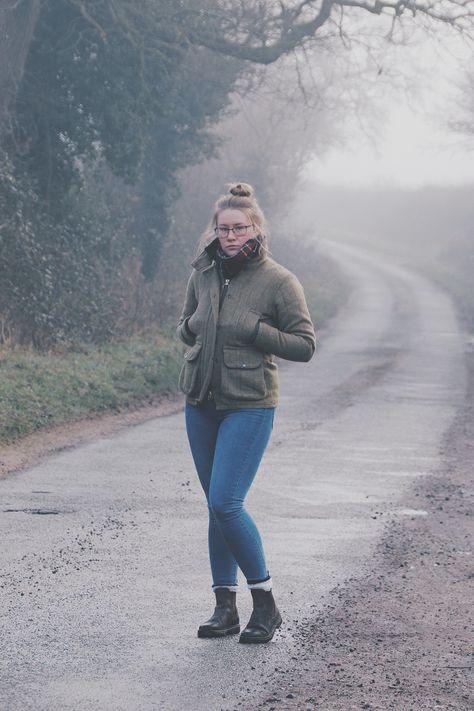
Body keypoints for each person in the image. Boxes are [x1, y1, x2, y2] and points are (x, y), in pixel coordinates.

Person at [177, 182, 316, 644]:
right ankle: (224, 608)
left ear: (255, 228)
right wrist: (196, 330)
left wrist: (257, 331)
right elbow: (185, 325)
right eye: (223, 229)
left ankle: (266, 605)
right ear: (214, 231)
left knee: (225, 503)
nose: (230, 236)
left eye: (239, 228)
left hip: (249, 405)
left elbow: (305, 345)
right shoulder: (203, 273)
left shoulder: (279, 281)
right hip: (201, 402)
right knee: (216, 509)